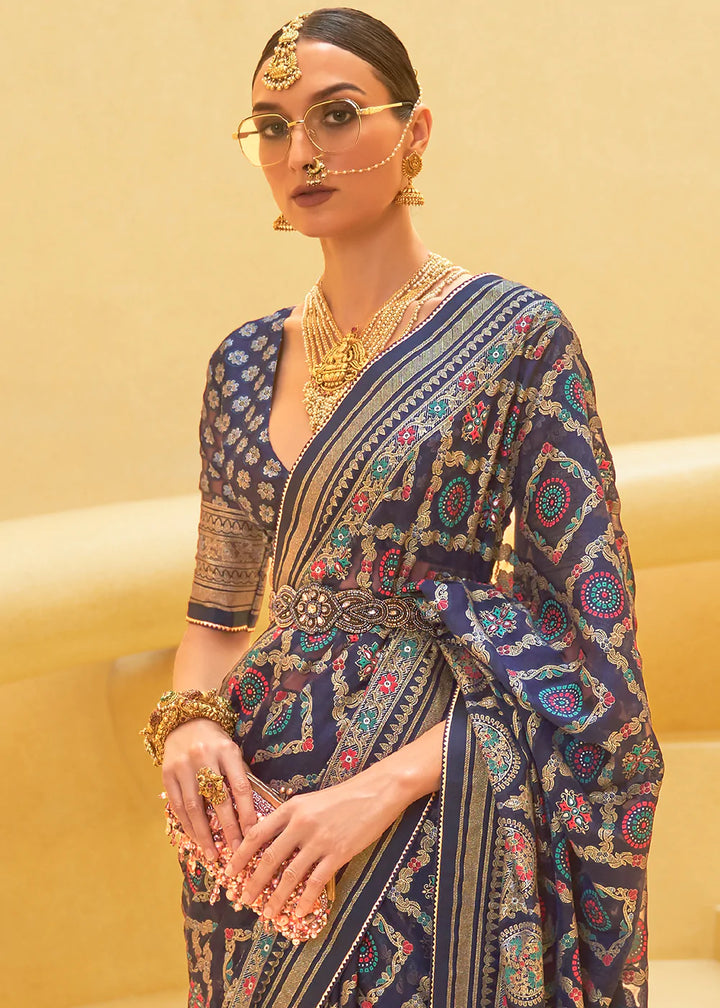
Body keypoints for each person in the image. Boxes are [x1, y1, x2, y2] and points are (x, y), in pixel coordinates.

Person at [143, 9, 663, 1007]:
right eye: (272, 127)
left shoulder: (516, 338)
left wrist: (384, 787)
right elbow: (215, 616)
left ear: (415, 130)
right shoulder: (243, 363)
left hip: (435, 783)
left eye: (337, 115)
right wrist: (191, 728)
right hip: (256, 814)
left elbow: (585, 637)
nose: (301, 152)